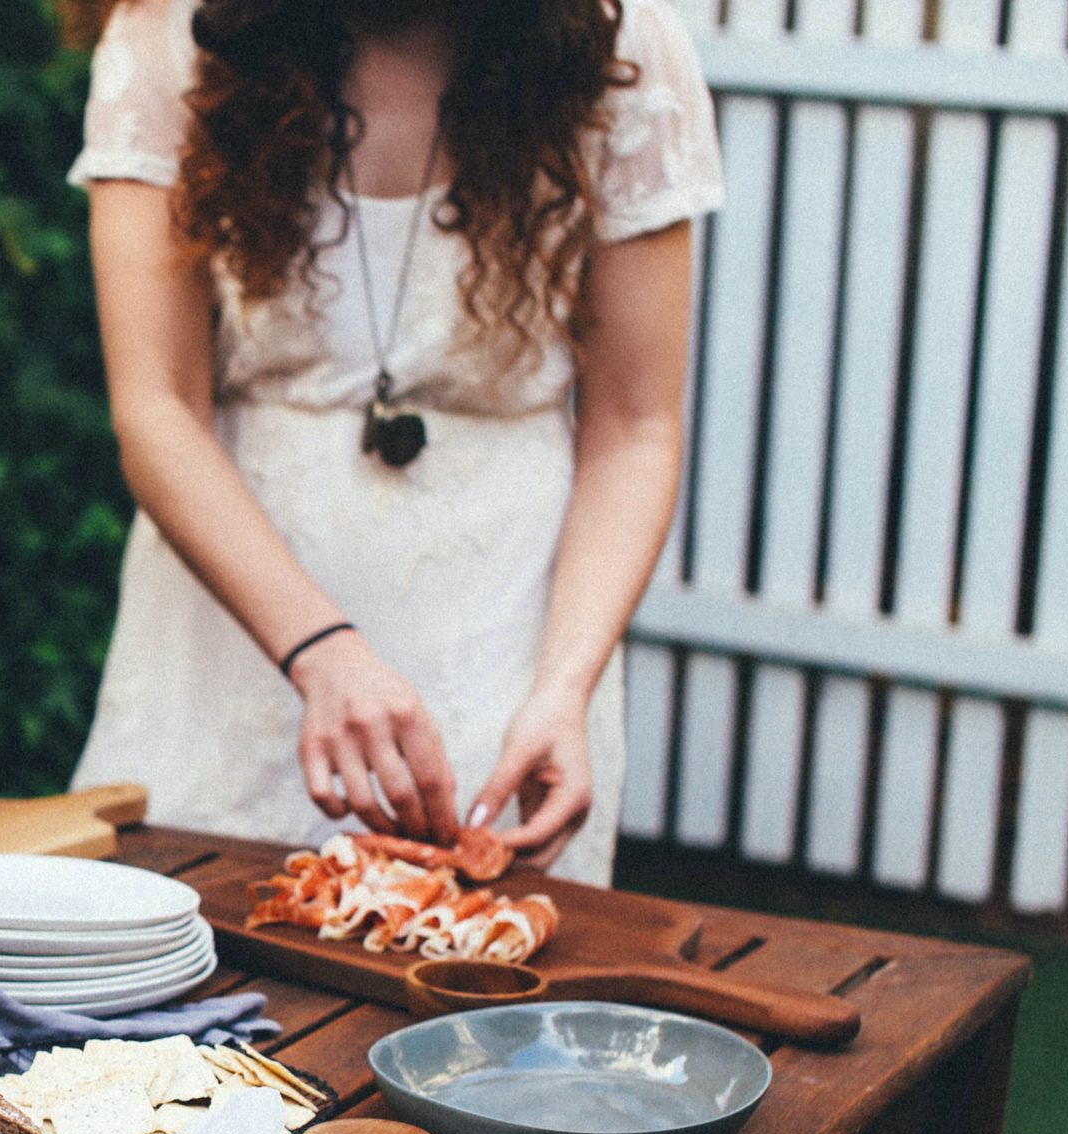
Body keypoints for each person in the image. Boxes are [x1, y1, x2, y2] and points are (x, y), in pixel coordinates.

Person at [62, 0, 722, 880]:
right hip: (226, 657)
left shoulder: (624, 50)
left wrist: (567, 687)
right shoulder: (168, 37)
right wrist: (320, 652)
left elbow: (636, 428)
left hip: (506, 653)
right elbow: (157, 408)